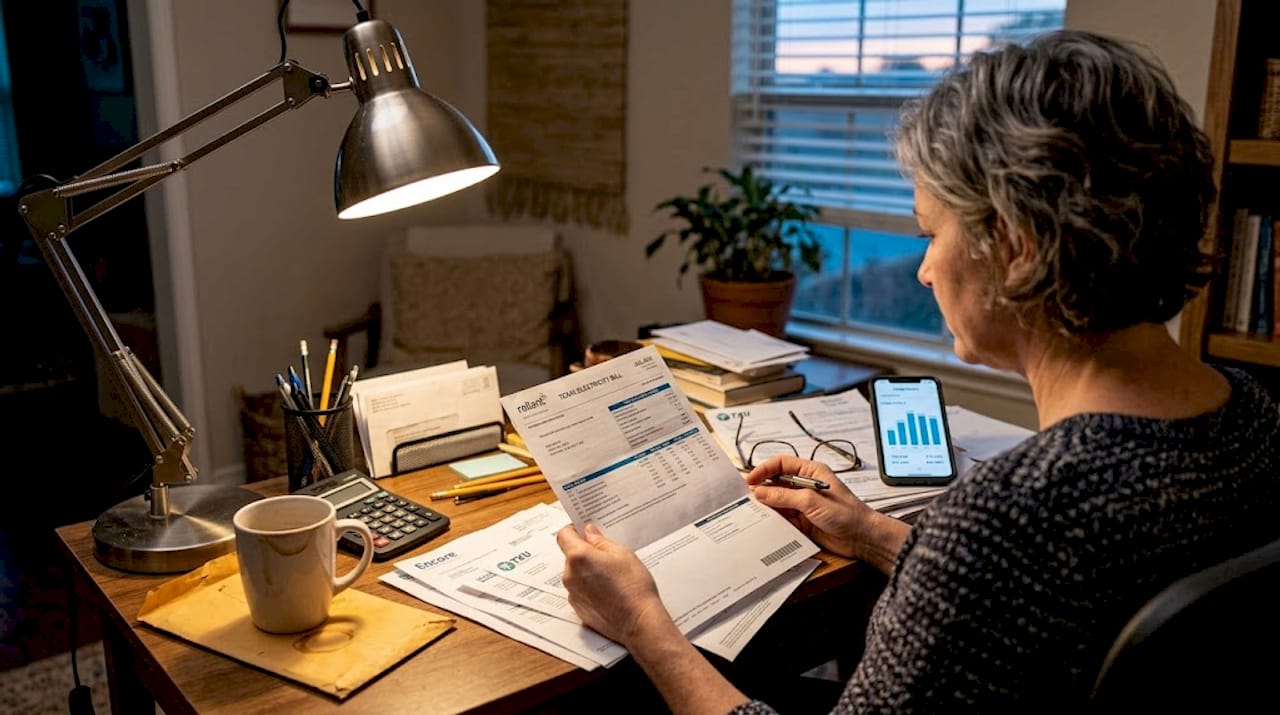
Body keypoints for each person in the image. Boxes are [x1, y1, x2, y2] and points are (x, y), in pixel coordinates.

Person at [555, 29, 1280, 713]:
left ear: (1017, 245)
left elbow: (1006, 559)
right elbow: (1051, 602)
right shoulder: (1255, 417)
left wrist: (643, 623)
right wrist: (872, 532)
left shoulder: (1010, 518)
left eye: (932, 233)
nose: (926, 269)